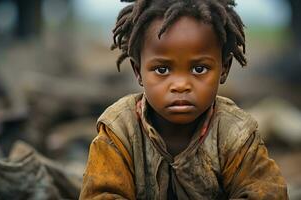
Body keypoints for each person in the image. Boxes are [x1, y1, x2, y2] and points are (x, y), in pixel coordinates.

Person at [79, 0, 288, 199]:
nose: (180, 85)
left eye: (199, 69)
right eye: (162, 69)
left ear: (224, 69)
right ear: (138, 71)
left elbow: (267, 193)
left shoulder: (236, 133)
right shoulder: (119, 131)